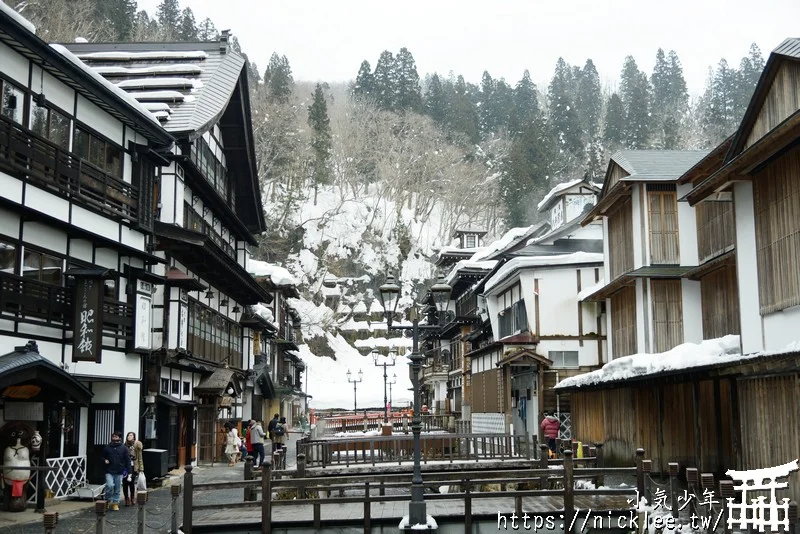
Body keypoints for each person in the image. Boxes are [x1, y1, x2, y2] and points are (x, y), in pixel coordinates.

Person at [102, 431, 131, 511]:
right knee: (109, 485)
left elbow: (127, 460)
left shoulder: (123, 448)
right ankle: (107, 501)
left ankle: (115, 503)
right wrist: (104, 460)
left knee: (117, 488)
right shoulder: (107, 447)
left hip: (119, 471)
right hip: (109, 470)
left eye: (116, 436)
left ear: (119, 438)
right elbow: (102, 456)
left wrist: (129, 472)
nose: (114, 438)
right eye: (113, 436)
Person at [122, 431, 144, 506]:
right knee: (125, 483)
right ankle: (126, 498)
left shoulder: (136, 446)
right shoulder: (124, 446)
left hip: (133, 466)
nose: (129, 436)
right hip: (125, 467)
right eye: (128, 435)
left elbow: (140, 458)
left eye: (131, 435)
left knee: (132, 483)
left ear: (134, 437)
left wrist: (141, 468)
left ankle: (132, 497)